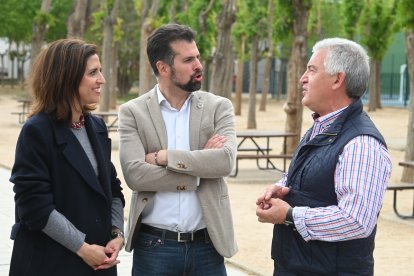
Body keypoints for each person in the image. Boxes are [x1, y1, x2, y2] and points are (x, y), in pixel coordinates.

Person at [256, 38, 392, 275]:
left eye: (312, 69)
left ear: (337, 79)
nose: (302, 78)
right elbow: (313, 174)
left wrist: (289, 215)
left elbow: (356, 219)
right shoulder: (320, 127)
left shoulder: (361, 143)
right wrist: (283, 187)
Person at [118, 23, 238, 275]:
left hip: (208, 245)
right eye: (188, 60)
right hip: (154, 247)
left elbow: (225, 162)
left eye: (197, 56)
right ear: (163, 68)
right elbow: (135, 175)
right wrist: (198, 169)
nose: (198, 65)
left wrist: (164, 157)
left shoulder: (219, 107)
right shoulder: (133, 112)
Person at [9, 38, 125, 276]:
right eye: (93, 72)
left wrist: (116, 233)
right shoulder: (36, 131)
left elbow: (112, 190)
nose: (102, 79)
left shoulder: (97, 126)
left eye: (100, 71)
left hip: (99, 263)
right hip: (50, 262)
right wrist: (82, 248)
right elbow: (33, 206)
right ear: (67, 77)